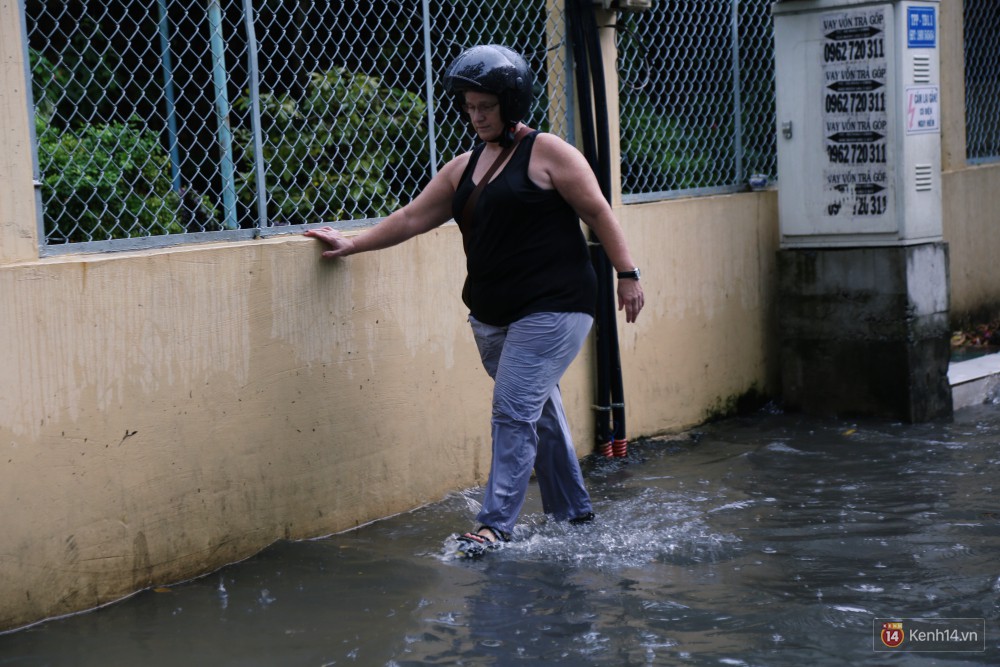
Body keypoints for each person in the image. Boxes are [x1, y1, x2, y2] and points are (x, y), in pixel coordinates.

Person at [305, 44, 643, 557]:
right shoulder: (463, 167)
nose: (476, 115)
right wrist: (353, 243)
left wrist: (627, 273)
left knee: (512, 409)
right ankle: (574, 515)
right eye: (468, 106)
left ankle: (494, 528)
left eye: (485, 106)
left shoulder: (549, 152)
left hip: (555, 307)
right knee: (538, 413)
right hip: (492, 316)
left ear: (511, 103)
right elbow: (413, 217)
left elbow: (598, 211)